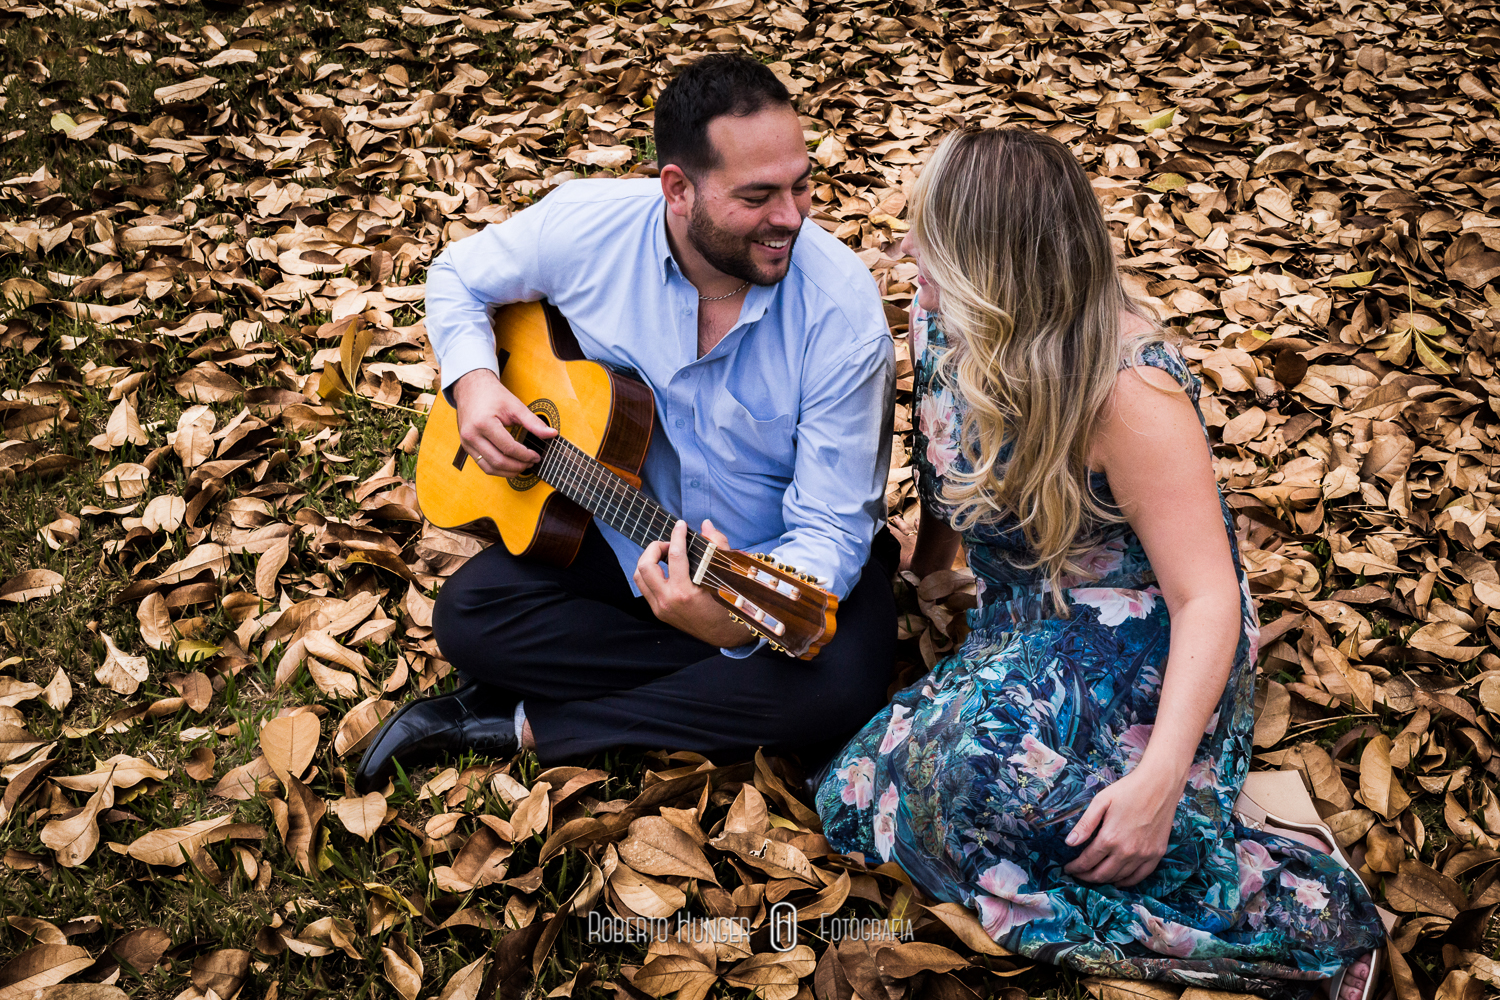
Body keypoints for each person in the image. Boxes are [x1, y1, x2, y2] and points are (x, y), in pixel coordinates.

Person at [812, 127, 1384, 1000]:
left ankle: (1275, 897)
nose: (908, 252)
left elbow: (1208, 596)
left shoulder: (1126, 390)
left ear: (994, 266)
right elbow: (941, 466)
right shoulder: (944, 316)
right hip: (1024, 624)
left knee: (979, 781)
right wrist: (926, 575)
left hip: (1147, 635)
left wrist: (1159, 778)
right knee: (862, 792)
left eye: (934, 240)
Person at [354, 54, 898, 794]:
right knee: (469, 615)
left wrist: (730, 623)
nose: (792, 218)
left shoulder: (842, 314)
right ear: (677, 188)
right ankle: (733, 699)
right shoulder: (589, 227)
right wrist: (476, 383)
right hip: (626, 538)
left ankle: (519, 725)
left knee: (843, 679)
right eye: (758, 195)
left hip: (774, 570)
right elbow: (457, 275)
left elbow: (833, 534)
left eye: (802, 184)